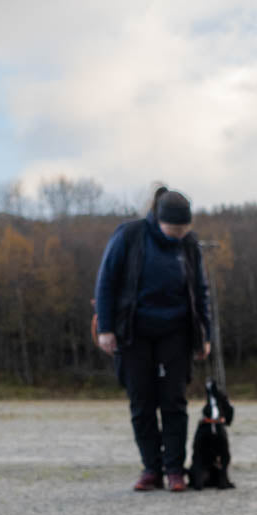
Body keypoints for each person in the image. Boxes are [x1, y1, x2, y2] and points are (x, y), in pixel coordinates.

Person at [94, 187, 212, 491]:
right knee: (141, 402)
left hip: (176, 332)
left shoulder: (189, 245)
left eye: (184, 230)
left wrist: (205, 335)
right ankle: (151, 469)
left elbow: (200, 291)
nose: (178, 235)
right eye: (173, 229)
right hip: (133, 332)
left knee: (174, 401)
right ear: (158, 220)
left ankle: (175, 469)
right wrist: (106, 328)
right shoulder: (129, 236)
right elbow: (106, 282)